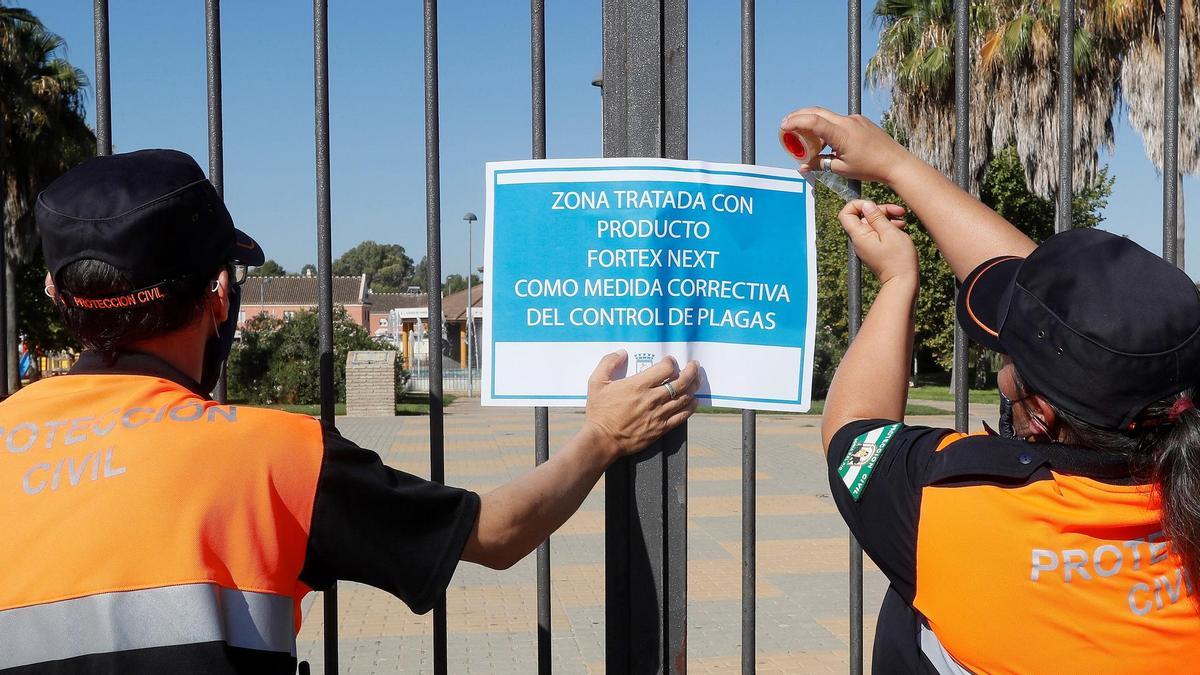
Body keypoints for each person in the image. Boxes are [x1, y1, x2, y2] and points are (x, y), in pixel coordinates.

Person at [0, 149, 700, 673]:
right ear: (219, 293)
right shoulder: (273, 456)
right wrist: (603, 434)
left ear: (60, 300)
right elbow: (498, 531)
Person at [781, 109, 1200, 672]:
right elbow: (1079, 328)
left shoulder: (952, 501)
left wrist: (897, 279)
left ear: (1042, 416)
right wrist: (896, 165)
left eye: (1009, 360)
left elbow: (852, 430)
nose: (1004, 370)